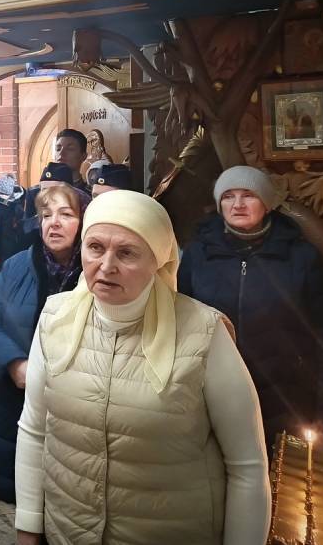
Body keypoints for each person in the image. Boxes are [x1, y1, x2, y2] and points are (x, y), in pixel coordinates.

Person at [14, 190, 271, 545]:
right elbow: (34, 429)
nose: (106, 266)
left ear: (158, 261)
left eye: (127, 253)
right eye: (95, 247)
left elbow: (247, 466)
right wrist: (28, 526)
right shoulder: (55, 318)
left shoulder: (204, 333)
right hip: (69, 532)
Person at [178, 166, 323, 443]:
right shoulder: (198, 253)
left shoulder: (302, 257)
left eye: (249, 195)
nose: (238, 204)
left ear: (267, 203)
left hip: (287, 401)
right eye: (228, 196)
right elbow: (180, 322)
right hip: (212, 394)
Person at [0, 185, 83, 503]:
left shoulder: (96, 272)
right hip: (20, 403)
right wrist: (14, 363)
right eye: (46, 215)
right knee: (25, 502)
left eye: (66, 214)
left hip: (77, 406)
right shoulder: (18, 266)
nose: (53, 222)